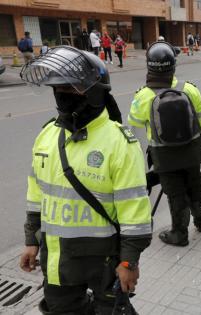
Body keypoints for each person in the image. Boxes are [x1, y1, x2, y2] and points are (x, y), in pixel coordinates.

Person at [19, 46, 152, 314]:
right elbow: (36, 195)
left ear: (95, 92)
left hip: (103, 260)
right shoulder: (47, 136)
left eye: (72, 89)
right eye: (59, 89)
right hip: (58, 258)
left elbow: (134, 212)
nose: (63, 95)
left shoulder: (119, 142)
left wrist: (129, 263)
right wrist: (31, 240)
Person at [128, 41, 201, 246]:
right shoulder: (188, 88)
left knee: (175, 193)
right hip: (191, 149)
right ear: (173, 65)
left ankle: (179, 234)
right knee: (194, 186)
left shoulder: (144, 95)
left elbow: (135, 123)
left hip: (163, 154)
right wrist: (200, 140)